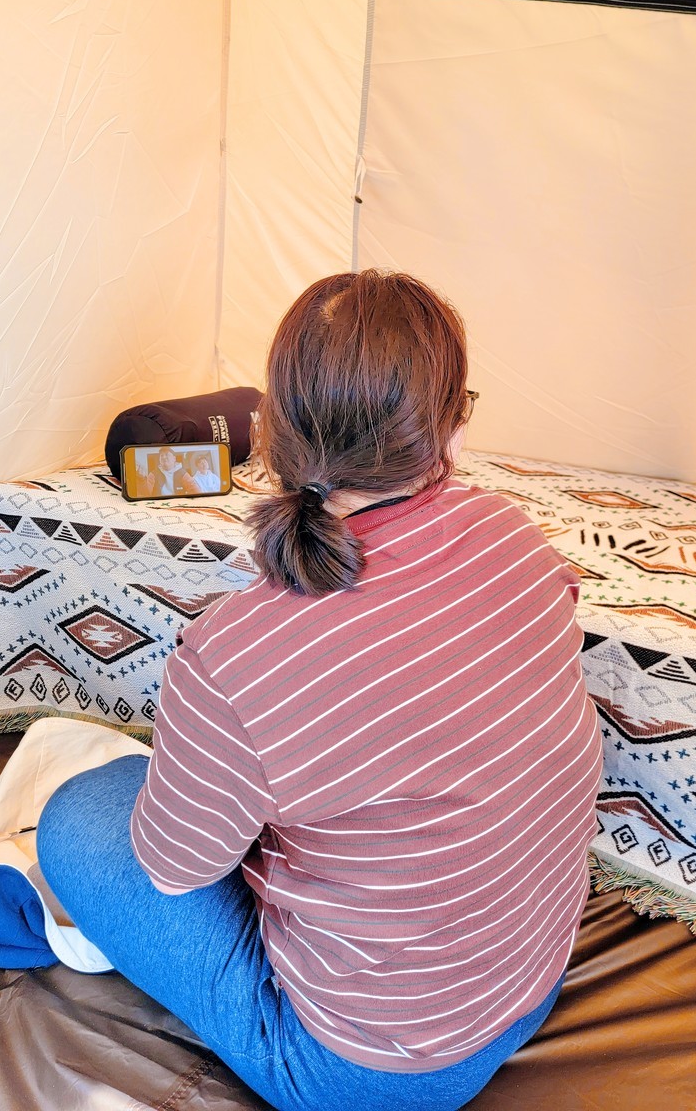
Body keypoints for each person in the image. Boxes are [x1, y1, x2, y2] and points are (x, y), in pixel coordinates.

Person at [36, 269, 603, 1111]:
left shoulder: (234, 649)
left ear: (272, 433)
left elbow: (172, 869)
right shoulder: (514, 535)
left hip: (372, 1075)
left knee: (80, 818)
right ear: (445, 424)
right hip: (531, 981)